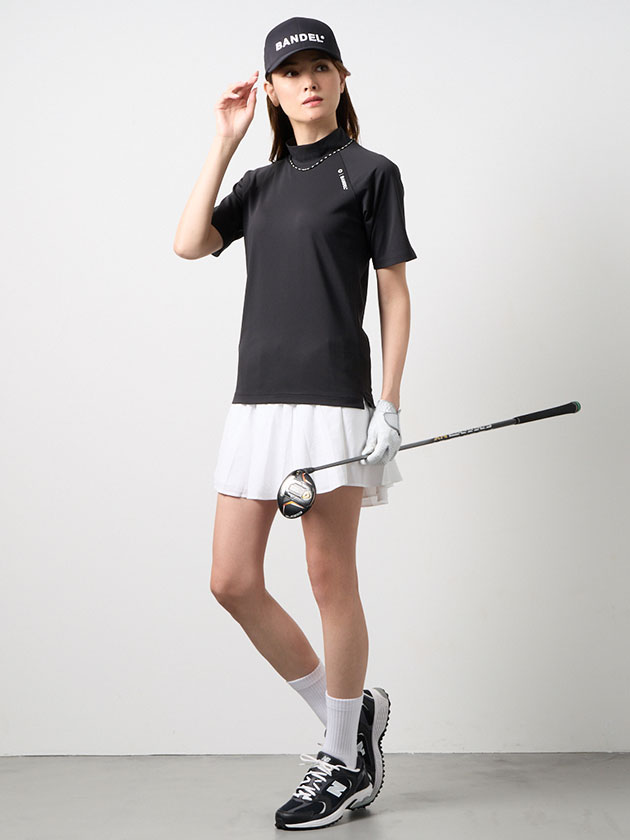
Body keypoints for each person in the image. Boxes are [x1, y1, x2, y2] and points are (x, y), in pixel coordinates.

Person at [173, 16, 417, 831]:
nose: (308, 81)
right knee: (231, 580)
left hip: (332, 402)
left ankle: (341, 761)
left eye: (321, 67)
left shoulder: (372, 174)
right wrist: (224, 140)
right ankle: (350, 719)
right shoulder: (260, 184)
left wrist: (389, 402)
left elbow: (393, 295)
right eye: (291, 72)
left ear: (341, 80)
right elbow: (188, 243)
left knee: (327, 576)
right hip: (257, 402)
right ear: (272, 90)